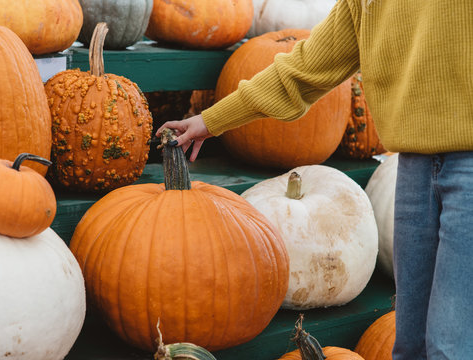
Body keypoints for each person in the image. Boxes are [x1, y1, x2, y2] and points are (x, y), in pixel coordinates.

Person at [156, 0, 473, 359]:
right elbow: (306, 68)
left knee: (452, 346)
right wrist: (212, 120)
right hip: (414, 165)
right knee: (410, 344)